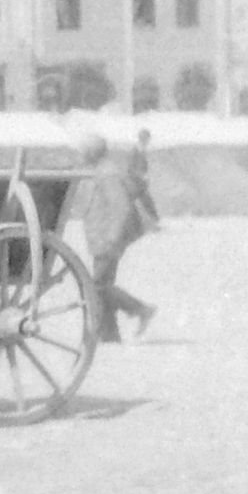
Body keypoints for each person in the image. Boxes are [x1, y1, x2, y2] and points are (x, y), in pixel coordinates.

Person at [78, 134, 157, 342]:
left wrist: (112, 238)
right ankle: (109, 336)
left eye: (83, 150)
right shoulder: (102, 171)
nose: (81, 155)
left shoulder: (107, 174)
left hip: (107, 240)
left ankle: (141, 309)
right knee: (103, 286)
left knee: (98, 286)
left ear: (91, 153)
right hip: (101, 240)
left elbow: (121, 206)